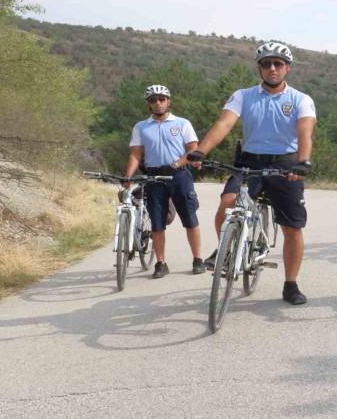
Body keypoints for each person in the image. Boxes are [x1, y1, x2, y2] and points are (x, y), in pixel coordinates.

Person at [187, 42, 316, 305]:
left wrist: (303, 162)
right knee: (227, 202)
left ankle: (291, 284)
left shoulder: (301, 100)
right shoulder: (243, 95)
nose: (272, 68)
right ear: (259, 68)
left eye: (278, 64)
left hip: (286, 165)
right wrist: (201, 151)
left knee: (292, 228)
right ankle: (226, 251)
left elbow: (305, 133)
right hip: (250, 164)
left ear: (287, 68)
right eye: (266, 63)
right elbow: (224, 123)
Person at [124, 84, 205, 278]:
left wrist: (178, 164)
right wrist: (127, 176)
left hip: (179, 176)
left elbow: (193, 150)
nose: (158, 103)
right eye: (153, 100)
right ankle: (161, 263)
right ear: (148, 104)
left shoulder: (182, 123)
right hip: (154, 177)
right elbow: (135, 154)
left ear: (169, 101)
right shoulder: (141, 126)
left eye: (162, 99)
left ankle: (198, 259)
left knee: (190, 219)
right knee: (157, 223)